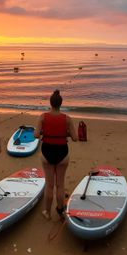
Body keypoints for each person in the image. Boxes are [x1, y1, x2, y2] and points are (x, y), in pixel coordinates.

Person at [35, 90, 78, 220]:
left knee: (49, 185)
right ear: (61, 104)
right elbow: (75, 138)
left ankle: (47, 212)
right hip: (62, 153)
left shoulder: (43, 117)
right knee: (60, 185)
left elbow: (36, 135)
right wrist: (65, 134)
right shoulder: (67, 119)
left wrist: (45, 132)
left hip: (46, 152)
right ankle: (60, 211)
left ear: (50, 103)